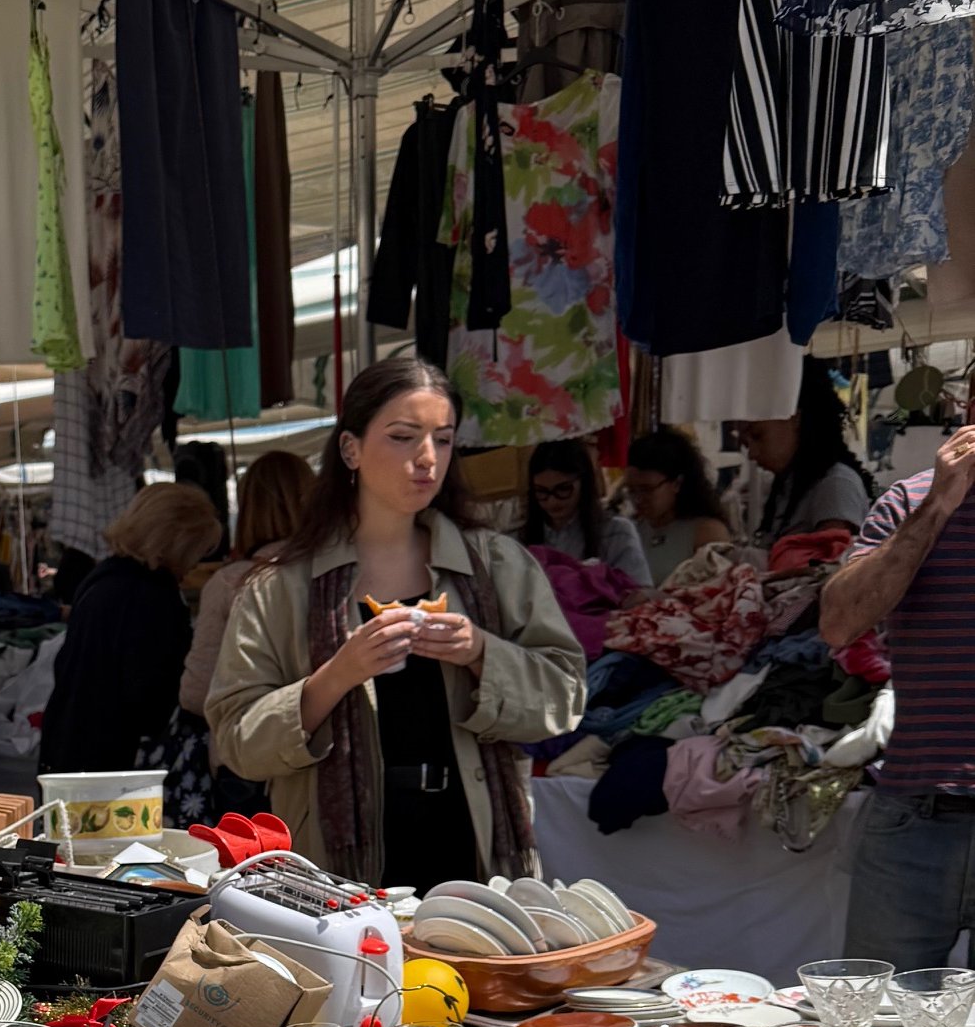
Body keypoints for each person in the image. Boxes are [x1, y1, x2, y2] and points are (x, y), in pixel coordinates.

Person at [206, 354, 586, 889]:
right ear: (351, 449)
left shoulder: (496, 566)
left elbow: (565, 697)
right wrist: (338, 674)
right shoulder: (281, 586)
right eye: (403, 437)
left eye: (444, 439)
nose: (427, 457)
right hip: (336, 870)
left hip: (474, 849)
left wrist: (481, 652)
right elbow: (237, 742)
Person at [820, 421, 975, 965]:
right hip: (915, 816)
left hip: (912, 817)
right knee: (877, 1011)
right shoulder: (913, 499)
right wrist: (937, 507)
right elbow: (839, 623)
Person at [171, 450, 318, 820]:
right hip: (321, 755)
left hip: (247, 764)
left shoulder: (230, 583)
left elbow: (196, 692)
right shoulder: (339, 576)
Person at [38, 482, 220, 777]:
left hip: (70, 750)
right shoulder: (151, 595)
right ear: (176, 542)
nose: (195, 563)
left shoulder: (103, 578)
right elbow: (150, 698)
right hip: (116, 764)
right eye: (195, 550)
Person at [519, 438, 649, 661]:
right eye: (542, 492)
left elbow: (639, 598)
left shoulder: (616, 532)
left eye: (563, 489)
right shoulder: (516, 540)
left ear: (584, 483)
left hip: (605, 648)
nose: (552, 501)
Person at [738, 358, 872, 548]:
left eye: (758, 436)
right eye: (745, 444)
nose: (752, 454)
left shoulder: (834, 485)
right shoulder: (789, 486)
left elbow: (830, 561)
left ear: (795, 418)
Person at [620, 426, 734, 583]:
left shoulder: (707, 532)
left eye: (647, 489)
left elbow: (718, 590)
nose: (638, 499)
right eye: (631, 490)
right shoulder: (633, 530)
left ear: (677, 483)